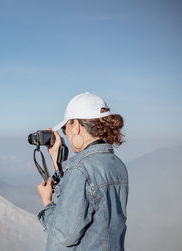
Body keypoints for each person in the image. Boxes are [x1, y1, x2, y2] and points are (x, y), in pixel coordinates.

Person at [37, 92, 128, 251]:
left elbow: (63, 235)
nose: (67, 134)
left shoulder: (80, 170)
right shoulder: (117, 165)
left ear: (76, 125)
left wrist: (47, 203)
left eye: (66, 128)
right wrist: (55, 159)